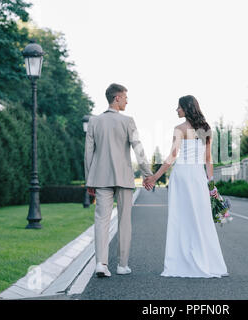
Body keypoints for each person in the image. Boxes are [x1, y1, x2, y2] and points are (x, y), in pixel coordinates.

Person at [144, 95, 228, 278]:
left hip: (182, 176)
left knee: (180, 219)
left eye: (179, 107)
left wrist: (155, 177)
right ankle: (209, 262)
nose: (176, 110)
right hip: (198, 177)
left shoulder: (179, 129)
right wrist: (211, 183)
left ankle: (181, 261)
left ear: (186, 108)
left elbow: (172, 156)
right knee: (201, 218)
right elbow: (208, 159)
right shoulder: (206, 129)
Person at [85, 83, 154, 278]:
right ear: (117, 98)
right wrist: (147, 173)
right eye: (125, 97)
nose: (126, 101)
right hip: (123, 177)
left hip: (100, 178)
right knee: (125, 221)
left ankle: (101, 263)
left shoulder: (94, 121)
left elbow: (88, 153)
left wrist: (89, 179)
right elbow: (138, 148)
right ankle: (122, 265)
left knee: (101, 221)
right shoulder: (128, 121)